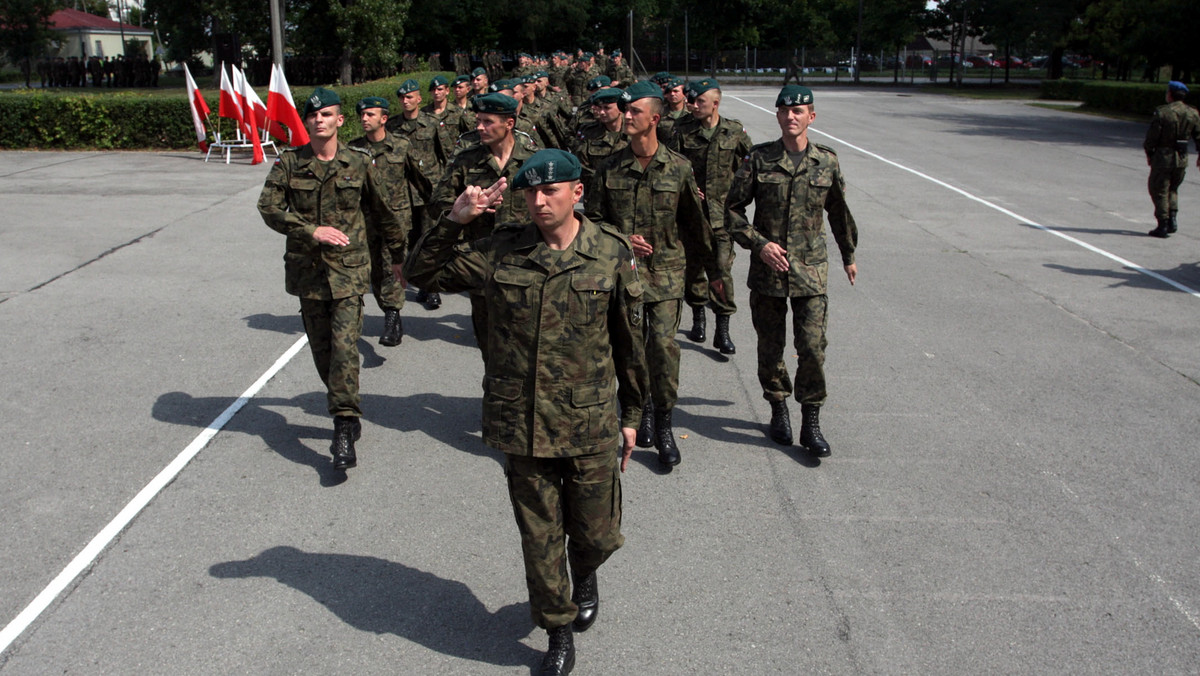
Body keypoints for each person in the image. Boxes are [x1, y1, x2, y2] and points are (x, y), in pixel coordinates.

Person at [407, 150, 648, 676]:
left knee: (597, 534)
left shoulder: (611, 252)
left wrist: (633, 414)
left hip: (589, 422)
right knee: (539, 537)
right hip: (522, 422)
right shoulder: (500, 251)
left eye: (550, 192)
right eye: (530, 193)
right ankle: (557, 631)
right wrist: (454, 221)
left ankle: (586, 572)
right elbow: (421, 273)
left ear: (576, 193)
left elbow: (631, 341)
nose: (538, 202)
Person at [257, 87, 406, 471]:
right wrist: (309, 230)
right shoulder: (290, 164)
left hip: (349, 273)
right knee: (323, 352)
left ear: (340, 121)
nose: (319, 120)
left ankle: (342, 424)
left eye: (327, 115)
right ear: (306, 123)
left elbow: (384, 212)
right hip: (308, 275)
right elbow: (268, 208)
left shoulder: (358, 162)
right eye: (313, 116)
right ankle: (347, 410)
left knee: (344, 349)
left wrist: (400, 260)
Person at [585, 81, 725, 469]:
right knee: (630, 351)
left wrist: (714, 272)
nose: (626, 116)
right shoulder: (609, 168)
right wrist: (621, 237)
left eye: (634, 112)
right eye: (624, 110)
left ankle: (663, 421)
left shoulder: (678, 168)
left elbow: (696, 225)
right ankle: (638, 410)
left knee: (662, 349)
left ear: (655, 119)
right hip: (624, 277)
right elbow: (591, 222)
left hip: (665, 276)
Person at [725, 85, 858, 455]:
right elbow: (732, 212)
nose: (791, 117)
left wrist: (848, 253)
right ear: (778, 116)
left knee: (812, 347)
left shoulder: (826, 162)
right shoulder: (759, 159)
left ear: (811, 117)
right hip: (768, 273)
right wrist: (760, 244)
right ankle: (778, 408)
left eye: (798, 111)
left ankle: (811, 420)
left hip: (810, 272)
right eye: (784, 111)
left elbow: (838, 212)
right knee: (771, 347)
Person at [429, 93, 536, 363]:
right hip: (483, 265)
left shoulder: (533, 160)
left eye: (487, 122)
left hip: (528, 265)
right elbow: (439, 204)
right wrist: (463, 211)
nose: (479, 127)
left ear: (509, 123)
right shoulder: (466, 160)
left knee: (530, 347)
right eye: (478, 120)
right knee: (490, 348)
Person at [668, 77, 751, 355]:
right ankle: (698, 318)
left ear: (715, 103)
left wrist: (739, 194)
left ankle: (723, 329)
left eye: (698, 101)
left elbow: (751, 166)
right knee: (693, 271)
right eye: (690, 100)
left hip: (722, 218)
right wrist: (687, 187)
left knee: (721, 270)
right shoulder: (681, 130)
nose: (692, 105)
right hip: (691, 217)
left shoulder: (734, 131)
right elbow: (670, 165)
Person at [348, 96, 432, 346]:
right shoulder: (353, 150)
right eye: (362, 115)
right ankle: (374, 311)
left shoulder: (401, 146)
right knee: (370, 271)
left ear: (384, 119)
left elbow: (421, 180)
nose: (364, 119)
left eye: (370, 115)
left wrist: (438, 208)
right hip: (364, 222)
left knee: (390, 270)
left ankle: (393, 318)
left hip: (396, 221)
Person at [387, 78, 447, 308]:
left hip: (428, 192)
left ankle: (431, 287)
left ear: (419, 99)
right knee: (409, 242)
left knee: (430, 240)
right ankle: (415, 279)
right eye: (402, 97)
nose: (405, 101)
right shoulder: (392, 126)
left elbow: (445, 155)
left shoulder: (432, 123)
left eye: (409, 97)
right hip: (402, 193)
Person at [1145, 80, 1200, 238]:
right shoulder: (1193, 113)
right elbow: (1199, 136)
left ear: (1170, 94)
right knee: (1173, 189)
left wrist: (1149, 153)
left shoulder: (1163, 112)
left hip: (1164, 157)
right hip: (1181, 157)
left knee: (1159, 189)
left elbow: (1152, 138)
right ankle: (1172, 219)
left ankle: (1162, 224)